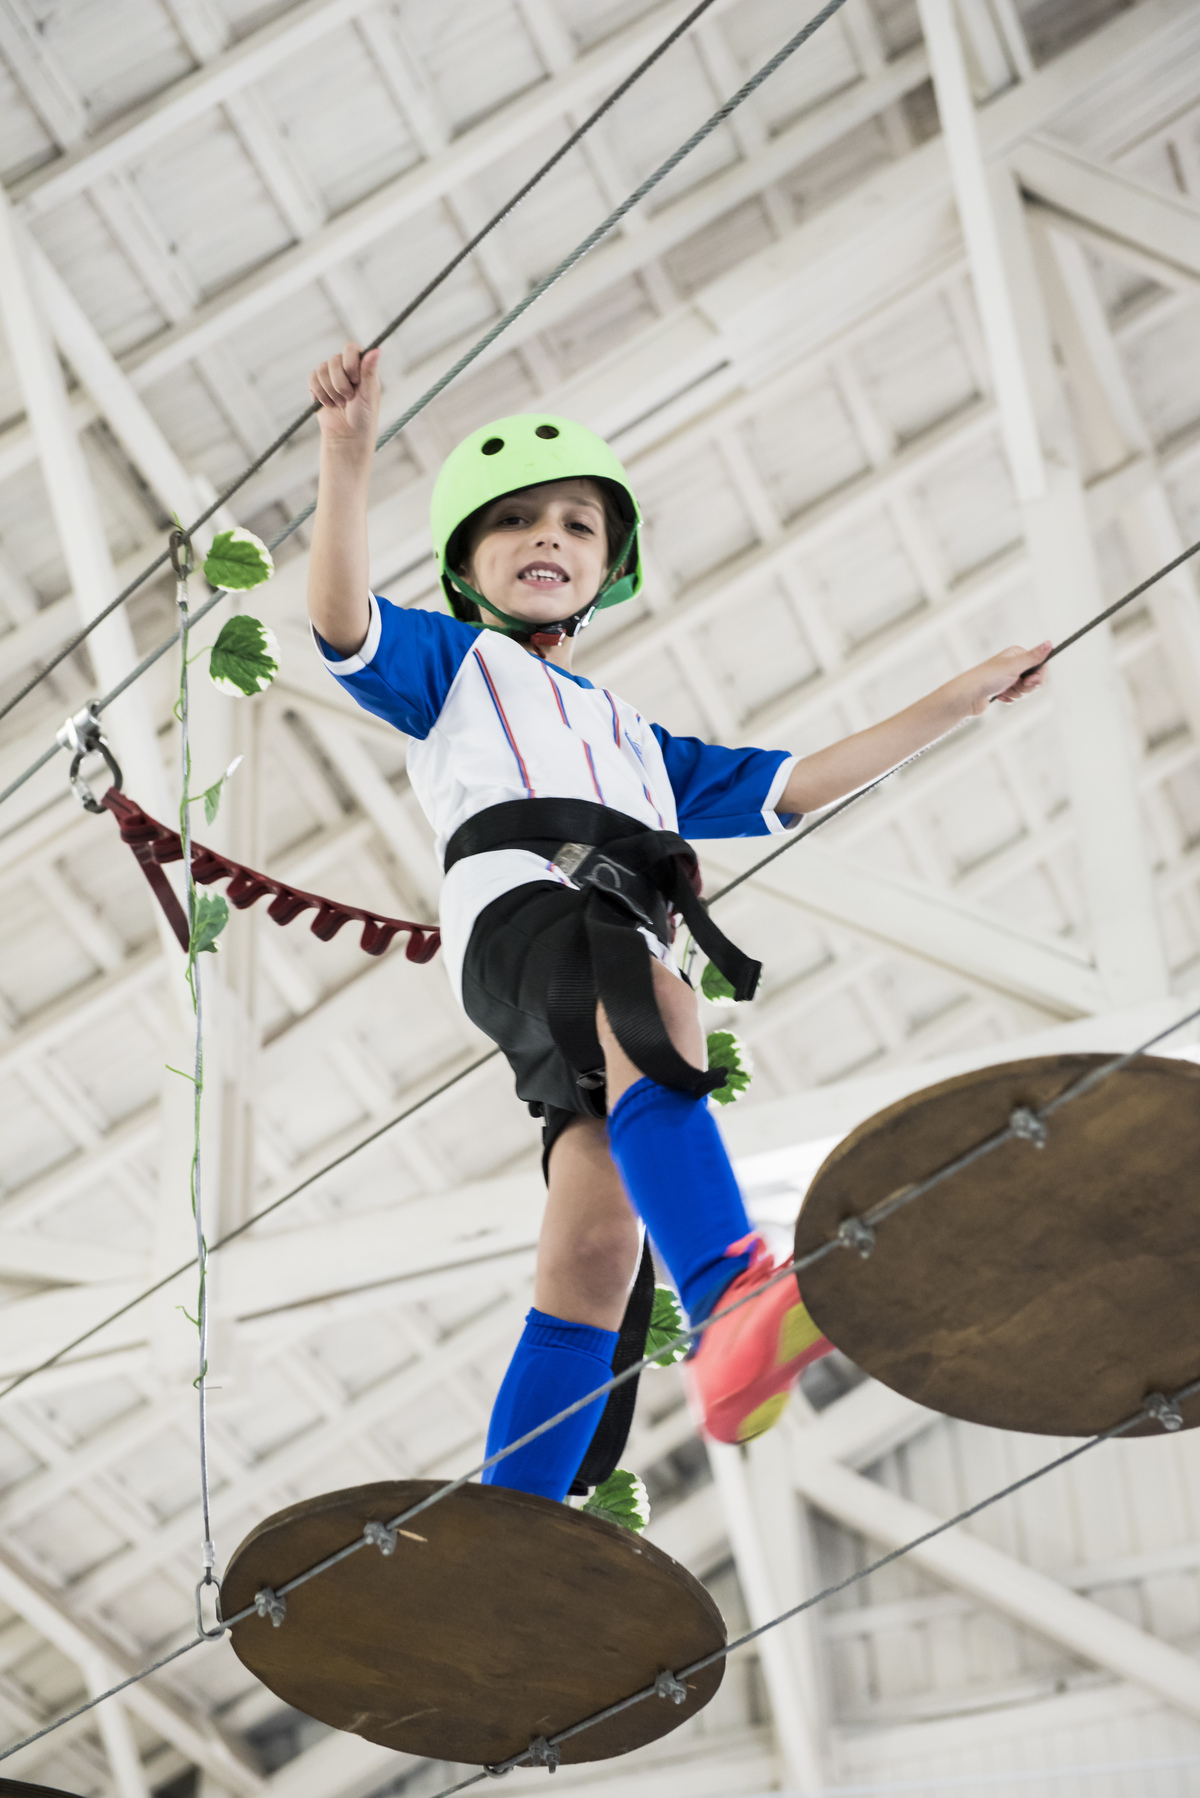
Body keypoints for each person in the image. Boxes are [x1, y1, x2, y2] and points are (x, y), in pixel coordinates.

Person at [306, 341, 1050, 1506]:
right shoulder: (453, 666)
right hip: (527, 919)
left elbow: (802, 781)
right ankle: (732, 1297)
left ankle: (515, 1516)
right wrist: (346, 459)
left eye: (575, 526)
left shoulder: (643, 745)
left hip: (593, 953)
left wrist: (963, 697)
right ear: (467, 567)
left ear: (607, 567)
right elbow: (341, 618)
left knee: (598, 1249)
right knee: (661, 1004)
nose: (548, 539)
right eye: (515, 525)